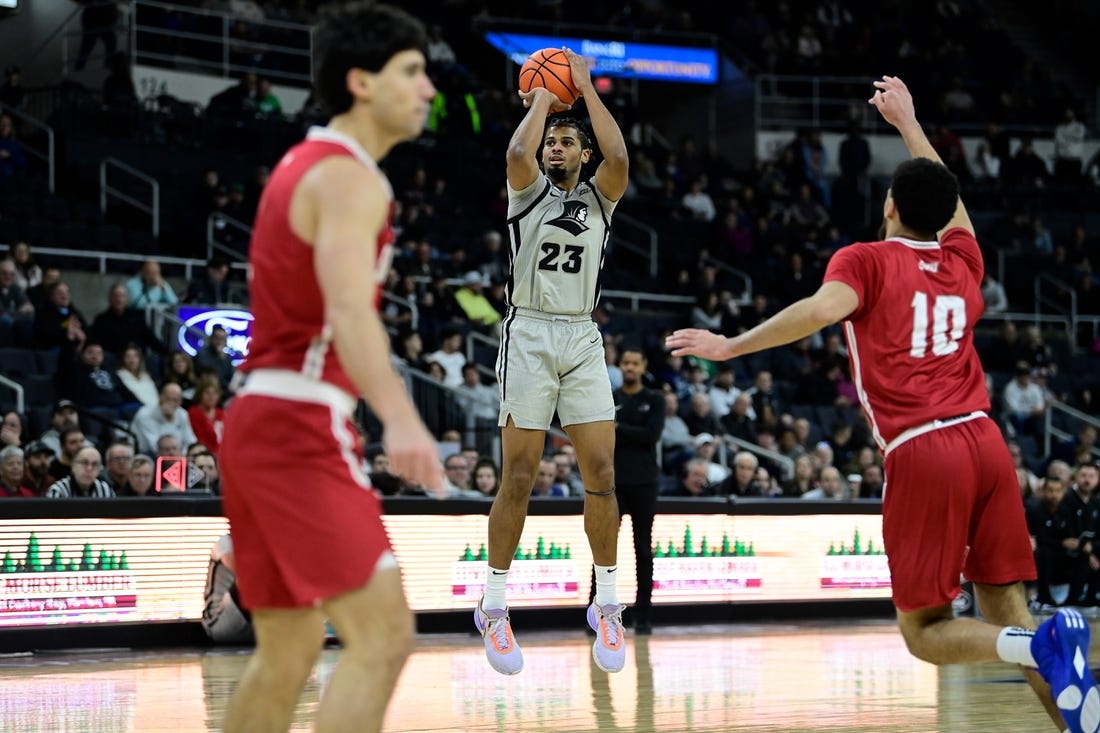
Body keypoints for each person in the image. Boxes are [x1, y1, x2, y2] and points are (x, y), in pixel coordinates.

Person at [666, 75, 1097, 733]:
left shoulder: (865, 260)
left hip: (925, 447)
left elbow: (816, 310)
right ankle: (1080, 719)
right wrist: (909, 124)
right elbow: (949, 202)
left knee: (925, 629)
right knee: (1008, 602)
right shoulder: (963, 261)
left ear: (890, 205)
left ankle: (1033, 644)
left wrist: (728, 346)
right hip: (986, 440)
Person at [217, 6, 443, 733]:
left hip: (253, 419)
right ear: (360, 82)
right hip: (297, 421)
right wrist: (404, 419)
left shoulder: (299, 162)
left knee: (288, 648)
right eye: (411, 71)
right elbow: (350, 311)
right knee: (383, 635)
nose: (429, 88)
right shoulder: (351, 178)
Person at [478, 46, 630, 676]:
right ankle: (493, 605)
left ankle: (608, 602)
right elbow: (517, 154)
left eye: (567, 143)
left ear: (583, 154)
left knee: (600, 471)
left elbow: (619, 157)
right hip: (530, 334)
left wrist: (583, 87)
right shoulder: (528, 193)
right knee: (521, 473)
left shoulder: (601, 198)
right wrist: (544, 95)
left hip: (581, 336)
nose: (555, 150)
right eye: (552, 144)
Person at [604, 346, 664, 634]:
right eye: (625, 362)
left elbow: (652, 435)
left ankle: (644, 616)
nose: (629, 367)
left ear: (643, 367)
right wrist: (623, 430)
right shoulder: (610, 398)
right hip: (611, 484)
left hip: (644, 482)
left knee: (643, 549)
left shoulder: (654, 399)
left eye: (634, 363)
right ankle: (601, 613)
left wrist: (618, 428)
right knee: (604, 548)